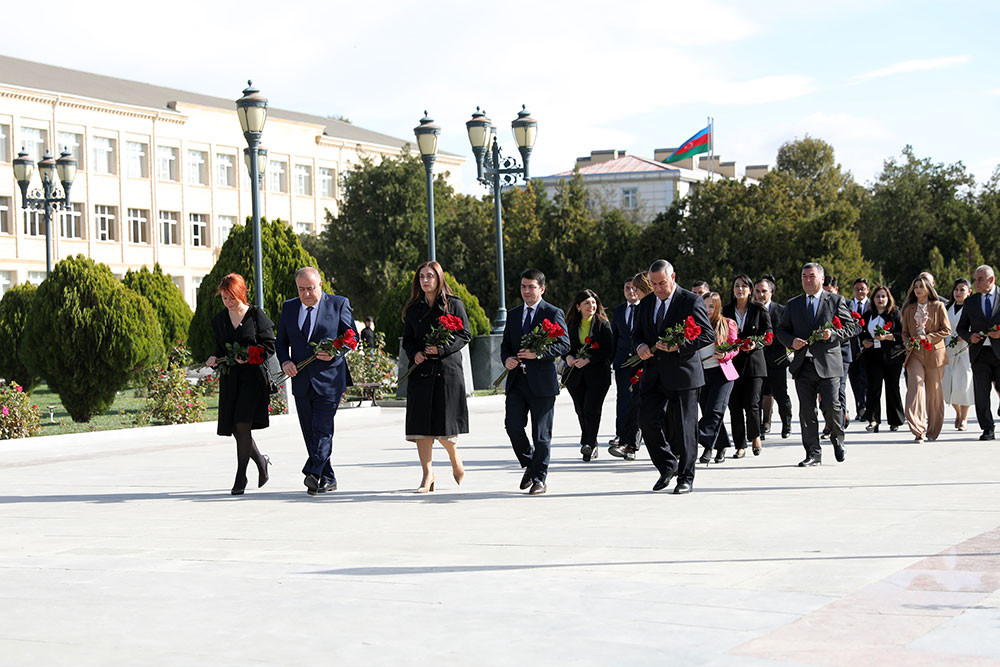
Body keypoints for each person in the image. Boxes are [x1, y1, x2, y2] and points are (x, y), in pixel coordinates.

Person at [632, 259, 714, 493]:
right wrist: (639, 348)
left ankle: (686, 477)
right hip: (654, 374)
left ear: (673, 278)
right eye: (654, 284)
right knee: (646, 421)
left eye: (662, 283)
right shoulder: (646, 303)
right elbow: (636, 335)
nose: (658, 288)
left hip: (683, 373)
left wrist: (680, 345)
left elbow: (706, 334)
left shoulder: (691, 300)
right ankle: (668, 465)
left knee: (685, 428)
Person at [275, 266, 357, 496]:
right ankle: (327, 478)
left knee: (322, 428)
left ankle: (313, 472)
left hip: (330, 379)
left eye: (310, 288)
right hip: (300, 380)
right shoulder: (289, 307)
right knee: (310, 432)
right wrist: (285, 361)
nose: (306, 294)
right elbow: (280, 341)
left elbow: (352, 337)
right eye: (301, 289)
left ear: (320, 284)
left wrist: (335, 352)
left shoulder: (338, 304)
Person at [776, 262, 857, 466]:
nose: (807, 280)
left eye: (811, 276)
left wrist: (833, 334)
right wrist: (790, 342)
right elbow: (781, 330)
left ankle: (838, 439)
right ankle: (813, 452)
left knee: (831, 405)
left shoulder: (835, 301)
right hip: (803, 365)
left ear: (821, 278)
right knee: (806, 410)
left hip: (828, 363)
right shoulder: (793, 304)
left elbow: (851, 328)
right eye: (804, 276)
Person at [401, 261, 472, 492]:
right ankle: (427, 474)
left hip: (447, 372)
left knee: (444, 426)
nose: (425, 280)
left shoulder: (454, 304)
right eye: (421, 276)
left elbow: (465, 334)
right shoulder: (413, 308)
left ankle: (454, 458)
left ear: (439, 278)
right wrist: (416, 353)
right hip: (421, 372)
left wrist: (441, 350)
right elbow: (408, 340)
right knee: (421, 427)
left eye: (430, 276)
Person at [500, 269, 570, 495]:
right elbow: (505, 345)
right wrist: (507, 359)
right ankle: (530, 463)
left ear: (542, 289)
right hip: (517, 382)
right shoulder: (513, 315)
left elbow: (564, 345)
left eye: (531, 287)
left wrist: (538, 354)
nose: (526, 291)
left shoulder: (553, 312)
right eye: (523, 286)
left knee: (541, 434)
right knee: (512, 426)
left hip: (542, 383)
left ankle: (540, 478)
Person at [205, 273, 274, 496]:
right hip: (231, 379)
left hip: (253, 378)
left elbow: (269, 346)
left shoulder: (256, 315)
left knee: (243, 424)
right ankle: (261, 462)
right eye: (224, 298)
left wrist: (252, 356)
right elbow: (219, 349)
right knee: (235, 428)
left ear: (241, 293)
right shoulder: (219, 320)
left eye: (231, 297)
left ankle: (240, 475)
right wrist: (214, 359)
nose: (228, 302)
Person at [563, 289, 614, 462]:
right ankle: (591, 442)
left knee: (591, 409)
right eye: (586, 303)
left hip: (598, 375)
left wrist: (589, 359)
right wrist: (568, 357)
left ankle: (588, 444)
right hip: (575, 376)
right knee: (581, 410)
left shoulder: (602, 324)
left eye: (593, 303)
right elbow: (563, 347)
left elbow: (609, 351)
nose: (591, 306)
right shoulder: (570, 325)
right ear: (578, 306)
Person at [723, 274, 771, 457]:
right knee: (734, 406)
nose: (740, 289)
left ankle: (755, 436)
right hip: (731, 364)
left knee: (752, 403)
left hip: (754, 364)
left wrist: (756, 343)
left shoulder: (759, 310)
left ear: (750, 290)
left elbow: (768, 333)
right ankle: (740, 445)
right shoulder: (726, 311)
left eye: (744, 286)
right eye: (736, 286)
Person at [900, 275, 951, 443]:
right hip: (914, 353)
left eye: (921, 286)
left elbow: (946, 330)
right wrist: (908, 342)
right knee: (915, 388)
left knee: (934, 394)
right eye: (915, 287)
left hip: (934, 353)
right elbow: (905, 332)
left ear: (928, 288)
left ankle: (933, 430)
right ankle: (918, 429)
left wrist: (928, 338)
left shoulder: (938, 306)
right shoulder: (908, 309)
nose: (918, 289)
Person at [610, 271, 651, 460]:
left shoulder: (650, 308)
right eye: (629, 288)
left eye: (636, 288)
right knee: (629, 400)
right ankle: (628, 442)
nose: (633, 292)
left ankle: (633, 442)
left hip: (649, 361)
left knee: (643, 402)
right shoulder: (620, 310)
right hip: (626, 362)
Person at [957, 265, 1000, 441]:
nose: (976, 282)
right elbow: (961, 327)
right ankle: (987, 428)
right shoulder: (971, 301)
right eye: (975, 279)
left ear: (991, 279)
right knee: (981, 393)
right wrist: (969, 336)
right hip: (979, 354)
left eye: (979, 279)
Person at [697, 292, 739, 464]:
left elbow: (735, 347)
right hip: (702, 374)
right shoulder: (696, 324)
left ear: (718, 307)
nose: (707, 310)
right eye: (704, 306)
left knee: (715, 410)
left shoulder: (727, 323)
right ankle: (720, 445)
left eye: (711, 306)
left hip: (723, 374)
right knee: (708, 411)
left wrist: (725, 354)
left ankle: (702, 441)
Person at [858, 285, 904, 433]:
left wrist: (886, 337)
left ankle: (895, 420)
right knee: (873, 389)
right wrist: (864, 341)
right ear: (873, 299)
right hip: (872, 356)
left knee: (892, 388)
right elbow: (862, 332)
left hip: (891, 356)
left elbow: (901, 335)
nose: (880, 299)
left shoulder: (895, 313)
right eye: (878, 296)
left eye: (883, 296)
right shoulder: (868, 315)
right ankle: (873, 420)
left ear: (888, 298)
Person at [754, 275, 792, 439]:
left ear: (771, 292)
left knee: (780, 394)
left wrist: (772, 341)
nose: (760, 295)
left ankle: (787, 424)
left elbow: (786, 332)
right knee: (760, 394)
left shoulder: (781, 310)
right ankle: (763, 425)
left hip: (777, 359)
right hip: (757, 360)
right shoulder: (752, 309)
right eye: (757, 291)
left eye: (764, 291)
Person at [942, 278, 974, 431]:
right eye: (956, 289)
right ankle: (958, 412)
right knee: (947, 386)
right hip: (948, 349)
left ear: (969, 292)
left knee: (963, 385)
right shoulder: (946, 307)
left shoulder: (973, 309)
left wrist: (966, 336)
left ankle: (965, 418)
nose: (958, 292)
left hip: (965, 350)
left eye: (962, 289)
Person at [847, 278, 871, 420]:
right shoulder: (847, 305)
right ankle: (860, 407)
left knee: (868, 378)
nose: (860, 291)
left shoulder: (872, 305)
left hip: (870, 347)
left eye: (862, 289)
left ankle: (869, 407)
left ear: (867, 290)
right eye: (857, 289)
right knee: (855, 378)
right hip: (852, 347)